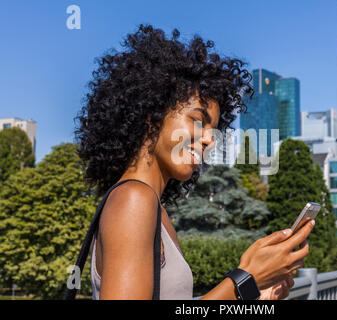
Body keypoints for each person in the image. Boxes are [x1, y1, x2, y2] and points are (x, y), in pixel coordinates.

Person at [74, 24, 314, 300]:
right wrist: (244, 279)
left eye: (214, 130)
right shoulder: (133, 200)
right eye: (198, 121)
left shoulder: (152, 207)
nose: (210, 140)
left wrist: (253, 295)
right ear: (151, 115)